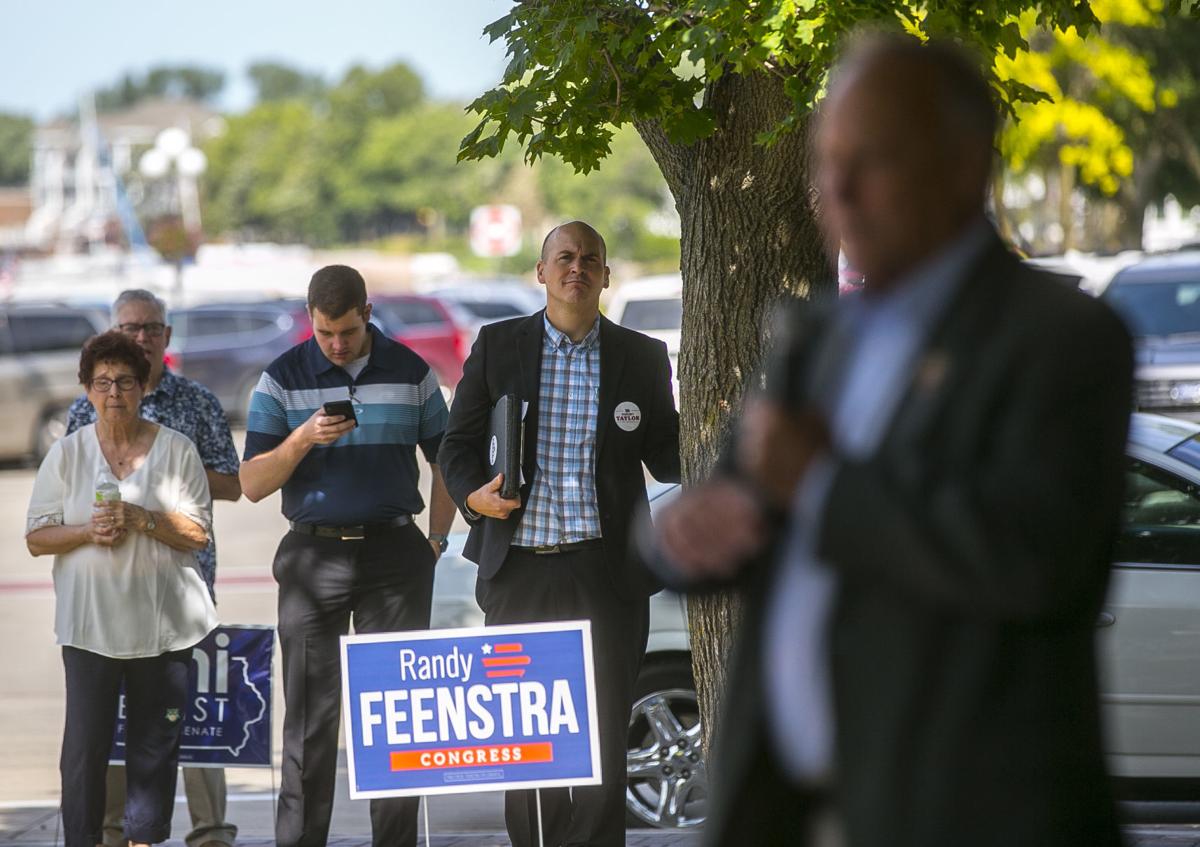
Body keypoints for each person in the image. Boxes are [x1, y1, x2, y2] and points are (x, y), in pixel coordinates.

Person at [649, 36, 1133, 847]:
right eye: (826, 158)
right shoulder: (817, 337)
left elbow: (1034, 554)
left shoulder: (1063, 338)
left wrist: (824, 487)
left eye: (870, 158)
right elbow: (731, 503)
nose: (835, 188)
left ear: (963, 163)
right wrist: (677, 533)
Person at [438, 221, 681, 847]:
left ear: (605, 275)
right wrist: (472, 496)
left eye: (590, 259)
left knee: (601, 740)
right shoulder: (498, 346)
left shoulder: (642, 356)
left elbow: (669, 456)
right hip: (519, 572)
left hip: (608, 576)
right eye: (564, 257)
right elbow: (456, 446)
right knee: (528, 741)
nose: (577, 267)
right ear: (541, 273)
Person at [239, 264, 455, 847]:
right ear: (310, 318)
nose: (336, 345)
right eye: (324, 333)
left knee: (396, 718)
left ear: (367, 312)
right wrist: (302, 439)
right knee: (310, 723)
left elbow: (448, 462)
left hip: (396, 553)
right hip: (313, 557)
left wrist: (434, 541)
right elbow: (253, 482)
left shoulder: (411, 372)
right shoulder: (281, 378)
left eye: (347, 333)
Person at [65, 289, 242, 847]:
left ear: (166, 336)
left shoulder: (197, 402)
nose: (140, 337)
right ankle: (114, 829)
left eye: (151, 328)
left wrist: (168, 469)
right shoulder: (82, 411)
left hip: (182, 585)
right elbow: (70, 490)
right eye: (130, 328)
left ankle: (209, 830)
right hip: (105, 596)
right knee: (105, 727)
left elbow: (232, 485)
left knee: (181, 719)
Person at [26, 331, 216, 847]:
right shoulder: (66, 456)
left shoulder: (177, 451)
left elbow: (198, 532)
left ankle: (143, 839)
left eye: (126, 382)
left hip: (166, 627)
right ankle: (82, 839)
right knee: (85, 749)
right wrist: (88, 531)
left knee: (155, 748)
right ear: (87, 389)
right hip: (90, 627)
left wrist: (143, 518)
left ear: (143, 387)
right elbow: (37, 538)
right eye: (103, 382)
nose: (115, 393)